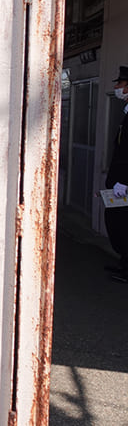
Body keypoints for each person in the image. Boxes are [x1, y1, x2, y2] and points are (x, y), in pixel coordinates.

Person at [104, 65, 128, 284]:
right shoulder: (126, 113)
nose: (117, 87)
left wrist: (124, 181)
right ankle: (123, 263)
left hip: (124, 184)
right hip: (118, 183)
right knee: (116, 222)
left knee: (123, 224)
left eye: (120, 83)